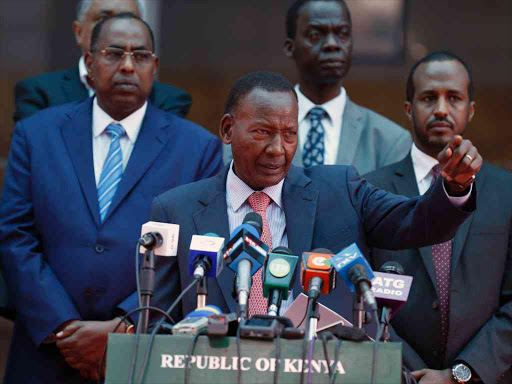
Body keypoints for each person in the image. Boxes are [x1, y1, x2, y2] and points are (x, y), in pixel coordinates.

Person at [150, 71, 480, 330]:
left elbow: (415, 221)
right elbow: (157, 326)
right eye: (263, 133)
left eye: (290, 134)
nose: (278, 149)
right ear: (227, 130)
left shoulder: (339, 190)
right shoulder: (175, 211)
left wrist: (454, 186)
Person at [0, 13, 222, 384]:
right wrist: (67, 330)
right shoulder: (36, 135)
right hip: (46, 350)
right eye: (114, 53)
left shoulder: (198, 149)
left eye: (141, 56)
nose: (128, 66)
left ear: (155, 67)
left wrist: (124, 325)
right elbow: (15, 237)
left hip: (145, 350)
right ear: (89, 63)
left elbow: (197, 253)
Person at [365, 52, 512, 384]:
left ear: (470, 110)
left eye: (454, 98)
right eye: (429, 98)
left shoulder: (507, 192)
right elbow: (359, 298)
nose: (442, 109)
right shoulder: (370, 190)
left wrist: (458, 375)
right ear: (408, 108)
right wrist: (408, 373)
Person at [222, 0, 412, 174]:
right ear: (290, 47)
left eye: (343, 34)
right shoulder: (245, 130)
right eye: (315, 34)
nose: (332, 44)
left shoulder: (390, 140)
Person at [13, 0, 191, 123]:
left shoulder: (168, 100)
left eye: (127, 19)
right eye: (104, 18)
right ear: (78, 32)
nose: (117, 29)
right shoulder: (39, 93)